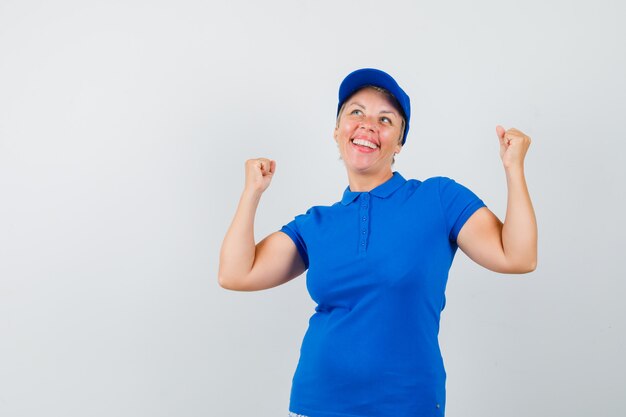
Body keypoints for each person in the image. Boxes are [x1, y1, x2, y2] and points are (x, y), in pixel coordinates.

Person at [218, 68, 537, 417]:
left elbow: (517, 256)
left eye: (384, 119)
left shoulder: (438, 199)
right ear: (337, 131)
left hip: (407, 405)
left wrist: (513, 169)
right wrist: (252, 193)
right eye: (356, 112)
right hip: (317, 403)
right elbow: (235, 274)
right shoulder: (315, 223)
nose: (368, 124)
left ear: (399, 142)